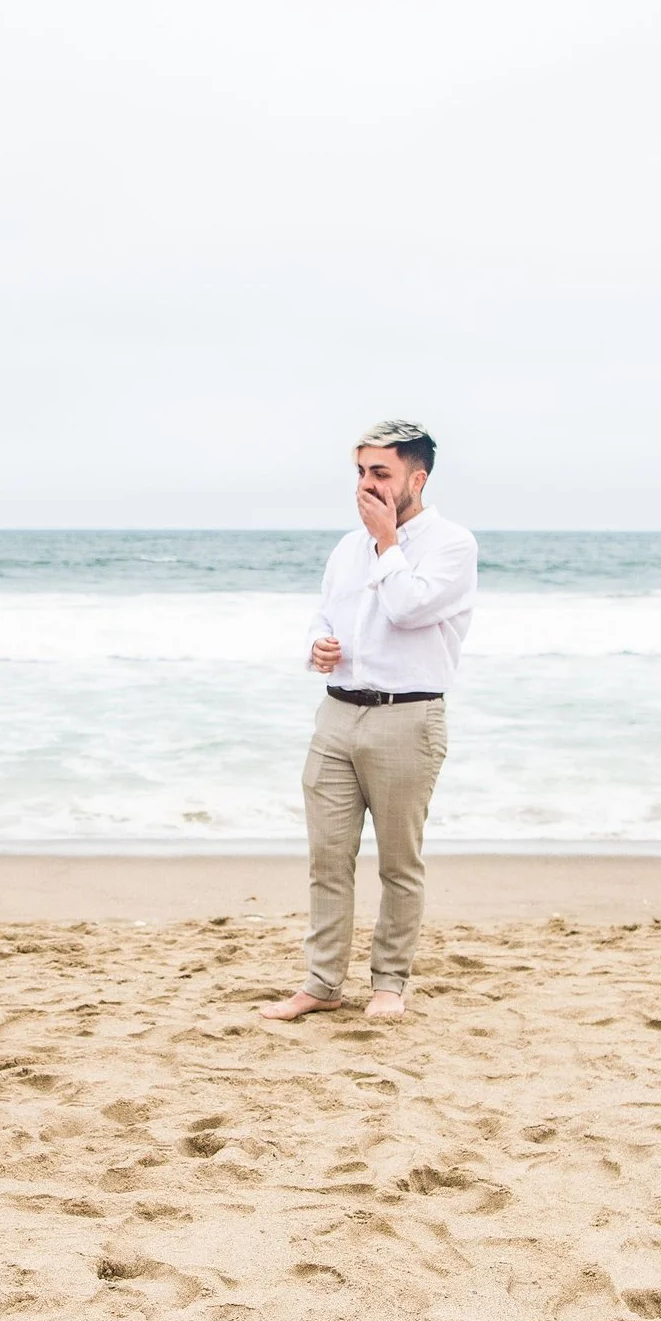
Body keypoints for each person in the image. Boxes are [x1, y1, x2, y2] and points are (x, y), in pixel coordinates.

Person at [263, 421, 478, 1023]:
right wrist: (319, 647)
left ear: (417, 478)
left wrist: (387, 542)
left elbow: (409, 608)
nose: (366, 485)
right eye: (360, 472)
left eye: (379, 473)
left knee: (397, 862)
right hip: (336, 715)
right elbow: (323, 614)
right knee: (327, 859)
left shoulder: (451, 545)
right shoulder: (345, 545)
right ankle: (322, 982)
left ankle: (390, 983)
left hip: (407, 718)